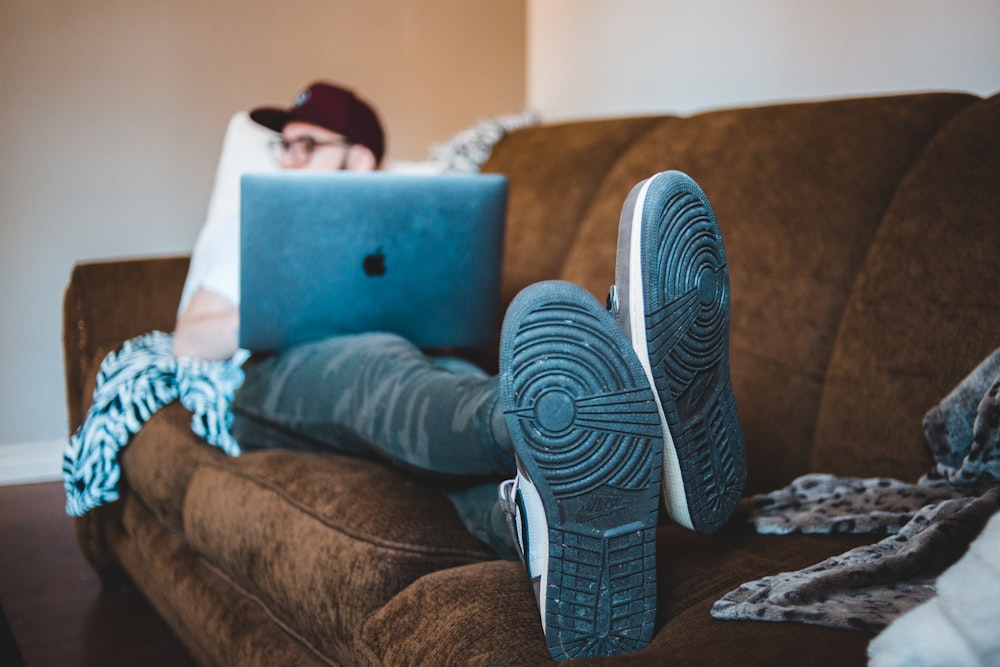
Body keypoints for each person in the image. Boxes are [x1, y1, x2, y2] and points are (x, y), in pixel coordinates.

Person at [173, 81, 747, 661]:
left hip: (417, 356)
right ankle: (590, 406)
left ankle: (545, 521)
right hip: (274, 373)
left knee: (437, 404)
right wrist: (294, 306)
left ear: (361, 155)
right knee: (382, 371)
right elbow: (190, 337)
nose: (288, 159)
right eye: (284, 147)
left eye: (306, 145)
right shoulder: (259, 219)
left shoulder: (415, 215)